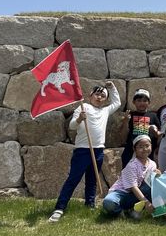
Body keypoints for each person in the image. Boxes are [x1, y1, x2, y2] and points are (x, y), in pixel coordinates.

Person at [48, 81, 121, 223]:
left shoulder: (105, 111)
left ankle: (90, 204)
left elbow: (117, 102)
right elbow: (72, 126)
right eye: (97, 94)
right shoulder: (84, 107)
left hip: (98, 150)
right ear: (90, 95)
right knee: (73, 179)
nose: (99, 97)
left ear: (105, 100)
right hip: (82, 150)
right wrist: (80, 119)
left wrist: (112, 88)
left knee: (92, 180)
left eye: (103, 95)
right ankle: (60, 207)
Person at [102, 134, 160, 218]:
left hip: (136, 194)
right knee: (108, 202)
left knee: (153, 184)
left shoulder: (152, 164)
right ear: (134, 149)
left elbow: (149, 183)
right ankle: (119, 212)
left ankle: (134, 210)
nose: (144, 149)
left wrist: (158, 176)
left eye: (147, 146)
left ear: (151, 146)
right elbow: (133, 187)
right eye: (140, 147)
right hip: (121, 193)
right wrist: (147, 203)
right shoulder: (132, 165)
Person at [121, 88, 161, 167]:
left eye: (145, 101)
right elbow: (122, 137)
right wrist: (125, 121)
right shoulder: (130, 115)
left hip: (148, 153)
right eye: (139, 101)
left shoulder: (153, 116)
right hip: (131, 152)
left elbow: (159, 136)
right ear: (133, 102)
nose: (142, 103)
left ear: (149, 102)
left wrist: (155, 132)